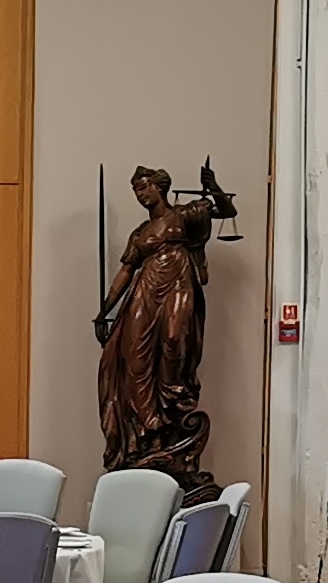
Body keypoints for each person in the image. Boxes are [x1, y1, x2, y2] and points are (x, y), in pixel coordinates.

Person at [94, 161, 237, 505]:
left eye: (144, 187)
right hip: (145, 290)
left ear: (160, 187)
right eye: (136, 190)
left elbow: (227, 210)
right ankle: (148, 429)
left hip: (178, 285)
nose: (141, 195)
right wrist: (103, 311)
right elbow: (126, 273)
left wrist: (214, 187)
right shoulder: (141, 233)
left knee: (175, 340)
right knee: (135, 360)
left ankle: (172, 411)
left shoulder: (185, 215)